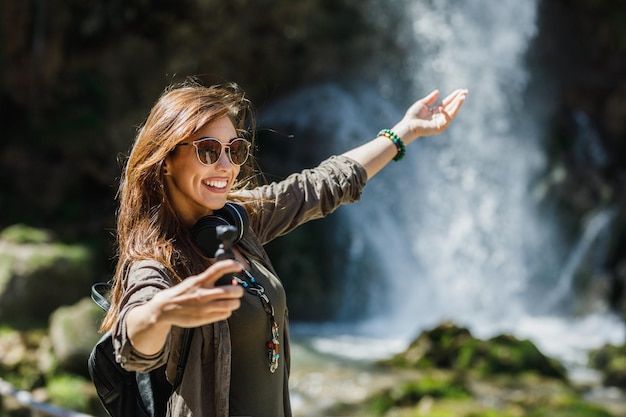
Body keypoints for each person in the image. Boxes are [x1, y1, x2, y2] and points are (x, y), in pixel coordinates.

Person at [99, 79, 467, 417]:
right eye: (208, 151)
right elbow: (133, 345)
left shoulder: (238, 223)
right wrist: (161, 314)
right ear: (166, 159)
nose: (226, 166)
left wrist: (404, 132)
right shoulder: (155, 261)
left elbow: (321, 185)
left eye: (234, 149)